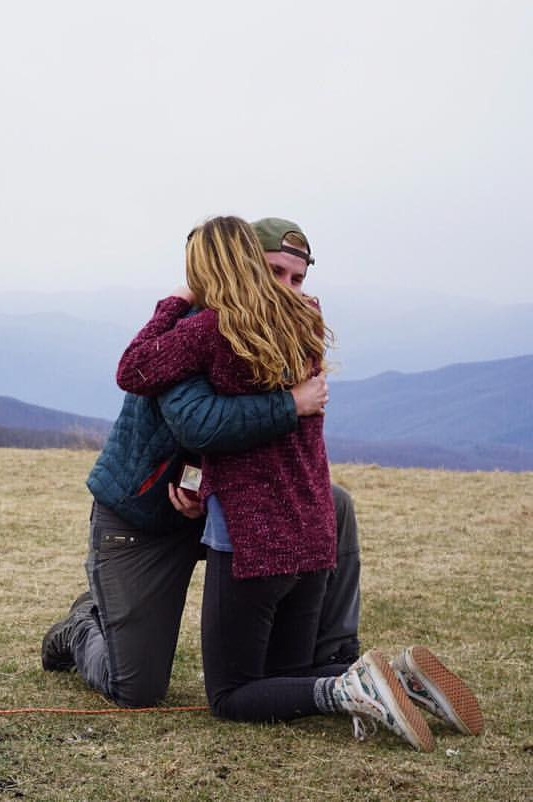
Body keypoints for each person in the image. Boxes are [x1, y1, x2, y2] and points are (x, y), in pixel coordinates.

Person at [110, 216, 481, 749]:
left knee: (233, 694)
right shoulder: (306, 320)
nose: (288, 286)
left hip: (252, 537)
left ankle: (354, 689)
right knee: (286, 676)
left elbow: (135, 369)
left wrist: (177, 298)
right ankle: (403, 683)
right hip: (310, 531)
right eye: (275, 272)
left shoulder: (213, 329)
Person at [41, 217, 357, 714]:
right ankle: (82, 626)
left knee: (333, 504)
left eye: (298, 279)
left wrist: (204, 486)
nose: (288, 290)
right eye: (275, 273)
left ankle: (333, 657)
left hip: (212, 504)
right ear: (245, 265)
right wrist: (291, 403)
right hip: (143, 519)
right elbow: (199, 424)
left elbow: (251, 447)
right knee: (137, 690)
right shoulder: (192, 332)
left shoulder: (278, 330)